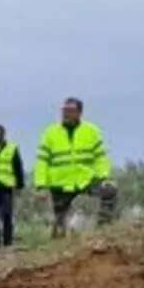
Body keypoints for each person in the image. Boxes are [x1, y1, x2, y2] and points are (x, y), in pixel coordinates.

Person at [35, 97, 117, 238]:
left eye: (70, 110)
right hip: (60, 185)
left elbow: (100, 158)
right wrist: (41, 186)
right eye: (64, 110)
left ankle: (103, 229)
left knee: (109, 190)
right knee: (59, 231)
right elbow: (42, 161)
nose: (66, 113)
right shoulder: (50, 133)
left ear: (79, 112)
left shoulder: (91, 131)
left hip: (85, 180)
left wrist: (104, 177)